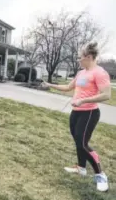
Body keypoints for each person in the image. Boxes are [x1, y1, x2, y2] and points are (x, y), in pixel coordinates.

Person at [43, 42, 111, 192]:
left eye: (80, 58)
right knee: (78, 141)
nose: (78, 60)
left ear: (88, 57)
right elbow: (68, 87)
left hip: (90, 112)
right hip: (76, 112)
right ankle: (81, 168)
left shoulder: (100, 73)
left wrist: (83, 100)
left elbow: (106, 95)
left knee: (83, 143)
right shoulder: (81, 73)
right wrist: (50, 85)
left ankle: (101, 175)